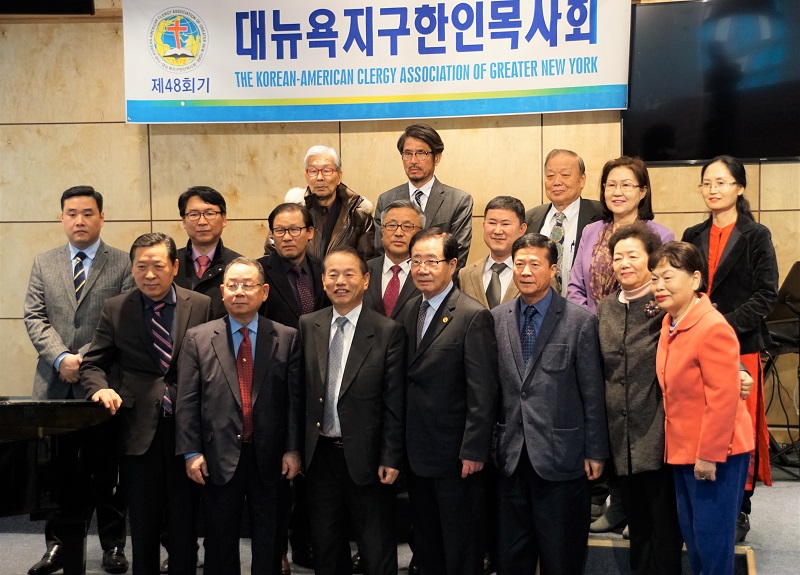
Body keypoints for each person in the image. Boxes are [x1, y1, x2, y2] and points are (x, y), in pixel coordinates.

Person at [81, 232, 212, 575]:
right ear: (132, 269)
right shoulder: (116, 308)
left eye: (157, 266)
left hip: (188, 428)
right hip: (137, 429)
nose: (149, 274)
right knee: (142, 522)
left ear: (175, 267)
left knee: (184, 521)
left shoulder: (200, 304)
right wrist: (99, 389)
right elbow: (93, 363)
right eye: (141, 266)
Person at [23, 185, 132, 575]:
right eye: (72, 213)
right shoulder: (44, 262)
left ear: (102, 217)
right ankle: (57, 546)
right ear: (62, 217)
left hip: (103, 383)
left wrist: (81, 360)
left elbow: (122, 318)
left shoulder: (123, 263)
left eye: (88, 213)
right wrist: (60, 357)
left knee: (106, 469)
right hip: (54, 385)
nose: (79, 220)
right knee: (57, 472)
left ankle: (113, 544)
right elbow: (34, 316)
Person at [176, 257, 303, 575]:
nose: (239, 292)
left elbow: (294, 400)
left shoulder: (286, 337)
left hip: (270, 457)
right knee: (219, 542)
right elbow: (187, 401)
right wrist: (191, 452)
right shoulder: (198, 338)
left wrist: (292, 449)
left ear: (264, 292)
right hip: (217, 455)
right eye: (232, 285)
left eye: (248, 285)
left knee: (269, 541)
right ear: (222, 291)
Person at [492, 233, 607, 575]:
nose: (526, 271)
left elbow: (592, 394)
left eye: (535, 264)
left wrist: (596, 452)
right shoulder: (496, 318)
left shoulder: (579, 321)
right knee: (511, 558)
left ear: (554, 269)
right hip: (510, 458)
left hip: (561, 457)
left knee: (561, 557)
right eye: (519, 264)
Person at [681, 155, 779, 542]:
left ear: (739, 188)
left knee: (738, 428)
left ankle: (740, 507)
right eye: (707, 183)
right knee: (701, 421)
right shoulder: (692, 233)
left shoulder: (756, 235)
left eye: (721, 182)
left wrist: (722, 325)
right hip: (695, 345)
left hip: (740, 346)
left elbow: (766, 295)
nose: (713, 189)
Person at [300, 247, 406, 575]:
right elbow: (298, 393)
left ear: (366, 280)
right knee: (326, 548)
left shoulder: (387, 331)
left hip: (368, 458)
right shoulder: (309, 325)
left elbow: (394, 402)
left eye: (349, 274)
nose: (340, 282)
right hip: (320, 457)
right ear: (323, 281)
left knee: (376, 549)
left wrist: (391, 457)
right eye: (333, 275)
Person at [650, 241, 754, 575]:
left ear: (695, 279)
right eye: (654, 279)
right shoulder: (671, 321)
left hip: (716, 453)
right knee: (695, 541)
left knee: (712, 546)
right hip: (683, 450)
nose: (659, 286)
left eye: (668, 277)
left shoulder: (712, 326)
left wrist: (708, 454)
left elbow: (723, 399)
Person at [403, 228, 498, 575]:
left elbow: (483, 393)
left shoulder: (472, 315)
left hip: (456, 455)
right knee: (427, 544)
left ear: (453, 264)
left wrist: (474, 449)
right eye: (416, 261)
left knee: (460, 546)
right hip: (417, 451)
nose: (422, 269)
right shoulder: (410, 309)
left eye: (431, 261)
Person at [596, 223, 683, 575]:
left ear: (651, 260)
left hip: (660, 431)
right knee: (637, 525)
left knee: (664, 525)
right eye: (618, 257)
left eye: (633, 256)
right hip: (621, 435)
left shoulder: (667, 304)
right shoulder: (605, 308)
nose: (624, 263)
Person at [257, 202, 329, 573]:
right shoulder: (259, 272)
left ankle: (304, 544)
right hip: (275, 386)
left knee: (311, 474)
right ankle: (277, 550)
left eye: (295, 229)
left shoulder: (324, 271)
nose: (287, 237)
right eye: (280, 231)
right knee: (277, 477)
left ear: (310, 232)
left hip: (318, 384)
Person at [568, 156, 674, 314]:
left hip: (640, 322)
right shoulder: (590, 232)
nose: (617, 192)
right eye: (611, 185)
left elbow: (663, 288)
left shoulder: (662, 236)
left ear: (643, 191)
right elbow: (575, 288)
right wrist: (592, 321)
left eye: (626, 185)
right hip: (589, 323)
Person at [375, 124, 473, 273]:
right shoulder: (386, 200)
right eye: (408, 153)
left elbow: (457, 257)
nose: (413, 160)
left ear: (437, 158)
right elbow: (380, 251)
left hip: (438, 284)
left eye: (421, 153)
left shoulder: (458, 201)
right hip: (396, 280)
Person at [525, 149, 602, 296]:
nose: (557, 182)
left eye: (565, 175)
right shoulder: (530, 219)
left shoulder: (602, 216)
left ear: (582, 180)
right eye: (550, 176)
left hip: (586, 306)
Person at [174, 186, 242, 319]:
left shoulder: (239, 265)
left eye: (210, 213)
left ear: (224, 219)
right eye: (194, 214)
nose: (202, 222)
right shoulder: (169, 264)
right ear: (184, 221)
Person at [302, 145, 375, 261]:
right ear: (306, 176)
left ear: (339, 176)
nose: (320, 177)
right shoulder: (294, 213)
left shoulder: (359, 216)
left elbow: (367, 262)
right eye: (313, 171)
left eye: (326, 171)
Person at [459, 196, 527, 310]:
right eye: (492, 223)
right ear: (484, 225)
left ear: (522, 229)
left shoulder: (537, 273)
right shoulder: (465, 274)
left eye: (505, 224)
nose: (497, 231)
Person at [363, 199, 424, 320]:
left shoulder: (429, 274)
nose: (398, 233)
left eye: (407, 226)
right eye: (392, 225)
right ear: (382, 231)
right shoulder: (363, 270)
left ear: (420, 234)